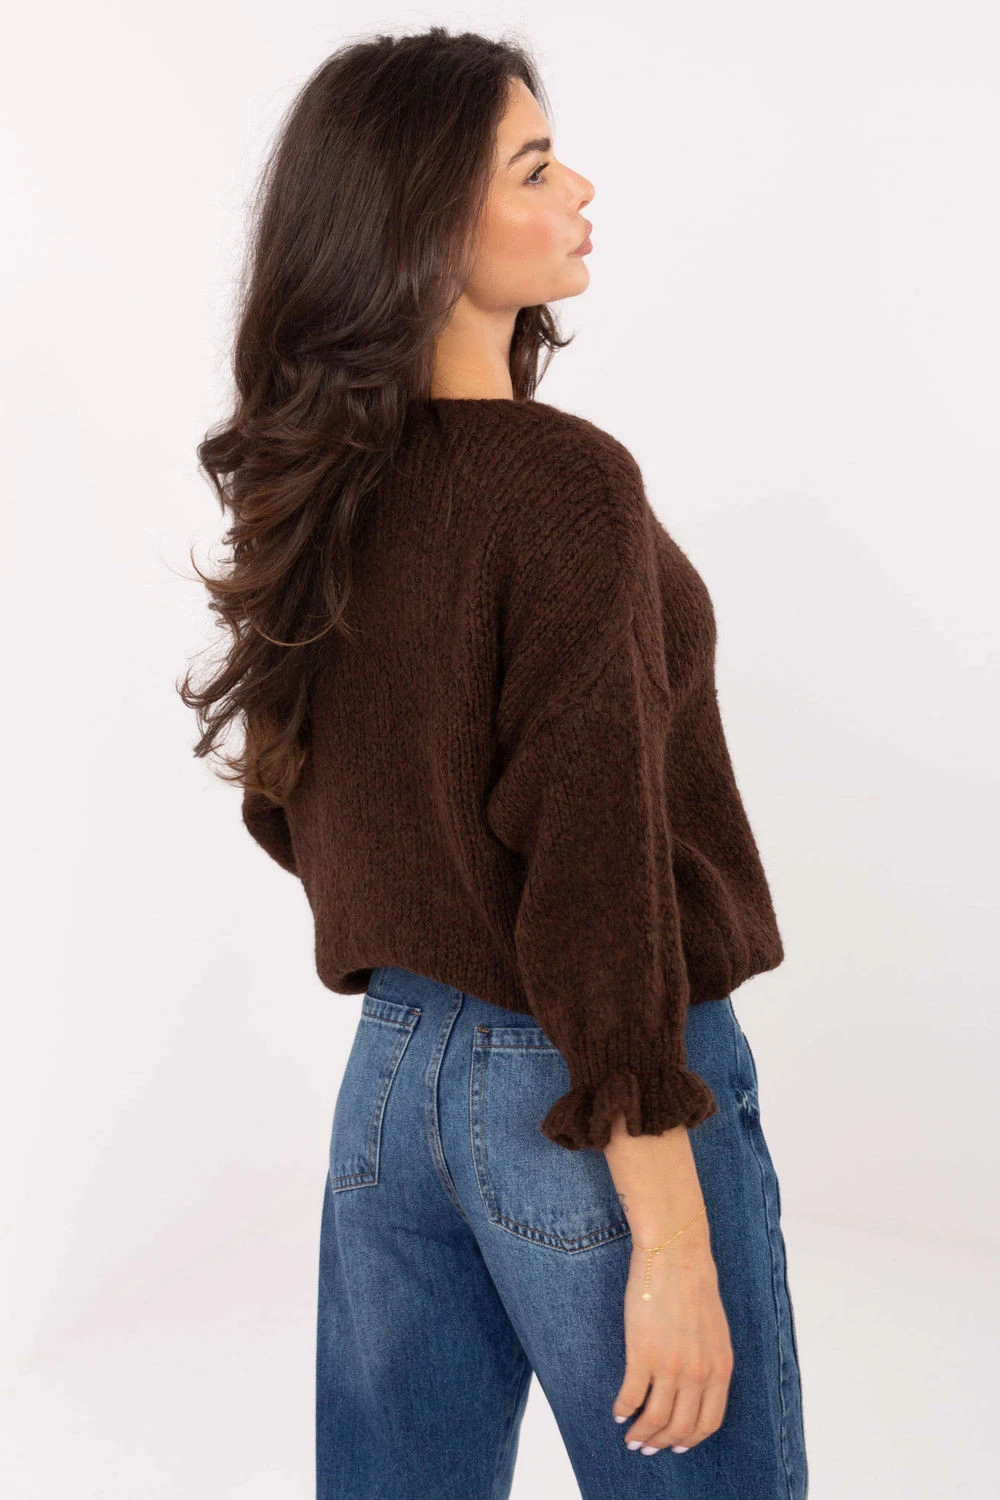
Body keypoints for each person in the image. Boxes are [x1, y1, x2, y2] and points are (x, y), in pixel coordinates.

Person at [182, 25, 808, 1499]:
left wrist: (437, 912)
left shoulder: (323, 489)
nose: (579, 189)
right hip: (594, 1089)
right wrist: (670, 1241)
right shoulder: (564, 484)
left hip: (389, 1085)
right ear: (423, 223)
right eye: (533, 168)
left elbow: (293, 799)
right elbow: (594, 868)